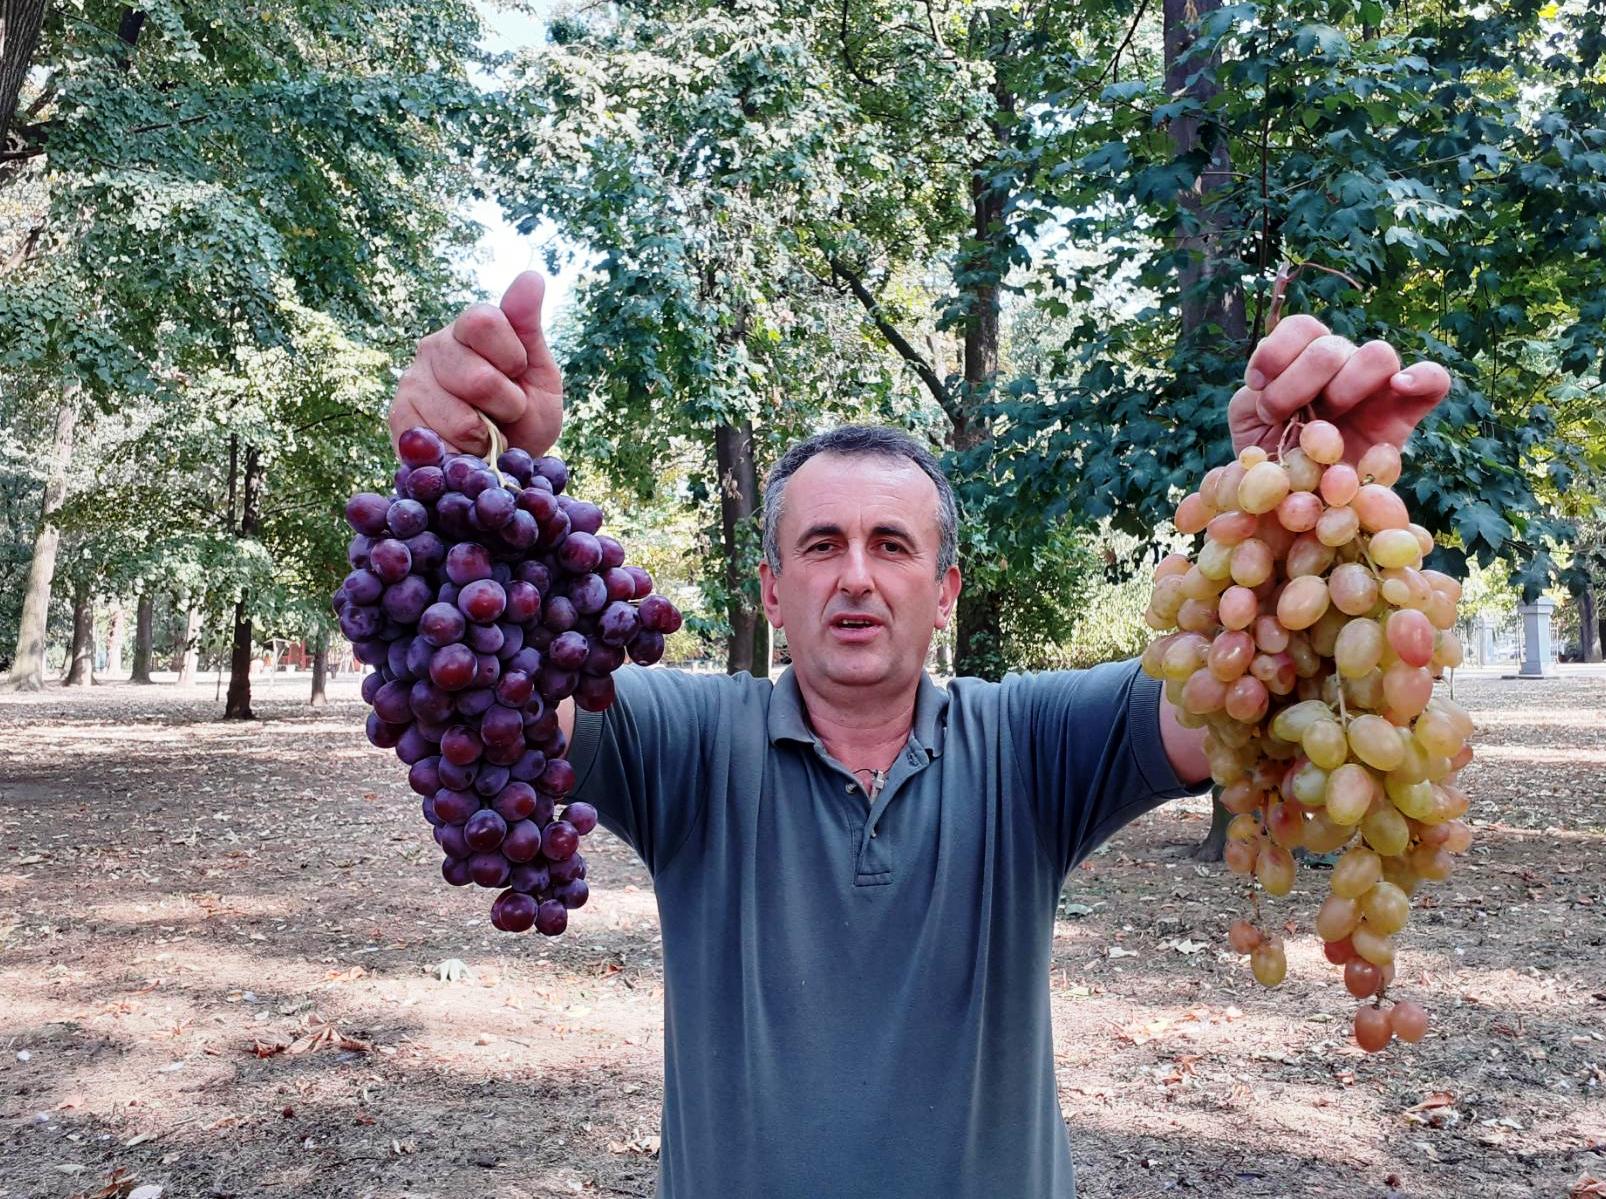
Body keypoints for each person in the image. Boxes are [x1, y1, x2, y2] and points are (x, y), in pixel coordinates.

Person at [389, 271, 1450, 1198]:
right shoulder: (691, 743)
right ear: (772, 584)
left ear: (942, 592)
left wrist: (1294, 507)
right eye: (821, 544)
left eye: (891, 544)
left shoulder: (1029, 742)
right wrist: (456, 482)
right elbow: (497, 689)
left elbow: (1238, 698)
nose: (855, 575)